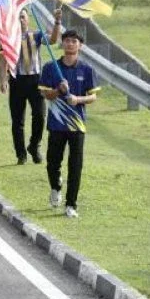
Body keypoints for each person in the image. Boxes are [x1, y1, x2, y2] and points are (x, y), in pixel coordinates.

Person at [38, 29, 99, 218]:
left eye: (74, 41)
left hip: (77, 126)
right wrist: (58, 90)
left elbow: (93, 96)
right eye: (67, 41)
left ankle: (71, 204)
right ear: (62, 44)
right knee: (52, 163)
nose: (70, 44)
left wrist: (78, 99)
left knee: (75, 166)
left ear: (80, 45)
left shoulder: (87, 69)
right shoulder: (51, 67)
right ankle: (56, 187)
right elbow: (44, 93)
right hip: (56, 125)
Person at [0, 7, 62, 165]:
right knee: (17, 120)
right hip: (16, 79)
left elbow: (53, 40)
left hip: (35, 80)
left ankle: (34, 145)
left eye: (23, 17)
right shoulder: (8, 37)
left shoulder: (36, 35)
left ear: (28, 19)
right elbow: (2, 60)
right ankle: (21, 154)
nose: (20, 20)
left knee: (40, 115)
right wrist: (3, 80)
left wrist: (57, 22)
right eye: (17, 17)